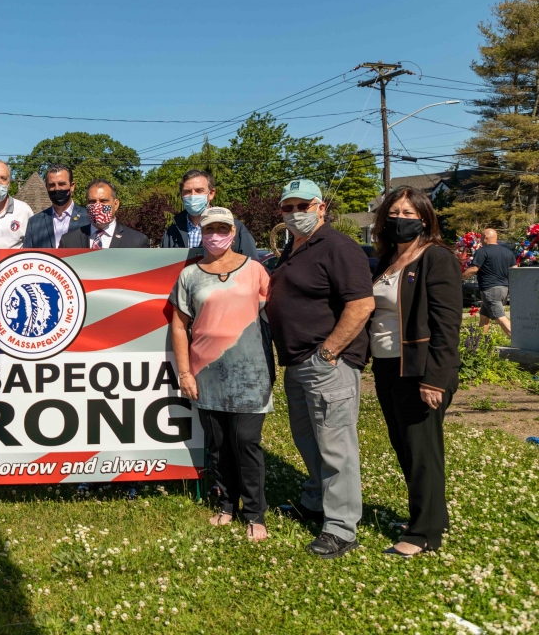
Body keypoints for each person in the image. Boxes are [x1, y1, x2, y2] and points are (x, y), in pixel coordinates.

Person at [264, 178, 374, 559]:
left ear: (321, 207)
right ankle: (315, 501)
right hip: (296, 362)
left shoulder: (339, 247)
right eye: (288, 207)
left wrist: (329, 352)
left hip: (326, 362)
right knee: (308, 440)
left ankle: (341, 527)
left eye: (303, 206)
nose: (295, 213)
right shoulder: (293, 250)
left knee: (335, 444)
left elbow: (360, 304)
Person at [169, 207, 274, 541]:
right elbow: (179, 325)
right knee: (218, 444)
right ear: (201, 232)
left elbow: (272, 314)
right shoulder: (190, 275)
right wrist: (184, 373)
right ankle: (227, 504)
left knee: (246, 442)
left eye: (221, 228)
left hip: (250, 373)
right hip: (206, 373)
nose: (215, 234)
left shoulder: (256, 270)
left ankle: (255, 512)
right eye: (209, 228)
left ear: (232, 231)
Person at [369, 187, 462, 556]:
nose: (401, 219)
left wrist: (435, 379)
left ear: (424, 218)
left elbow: (446, 324)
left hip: (420, 369)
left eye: (409, 213)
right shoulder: (388, 259)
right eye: (394, 212)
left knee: (422, 449)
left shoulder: (436, 258)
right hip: (388, 367)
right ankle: (428, 516)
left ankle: (424, 534)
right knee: (404, 446)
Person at [161, 169, 257, 257]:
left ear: (211, 193)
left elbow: (252, 268)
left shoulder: (233, 227)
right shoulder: (171, 233)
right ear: (181, 195)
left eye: (199, 191)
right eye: (187, 192)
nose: (193, 195)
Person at [59, 180, 149, 248]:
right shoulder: (68, 241)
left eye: (103, 201)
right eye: (92, 201)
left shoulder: (137, 241)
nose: (97, 206)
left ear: (116, 204)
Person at [462, 228, 514, 337]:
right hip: (504, 289)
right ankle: (479, 342)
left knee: (500, 318)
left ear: (485, 237)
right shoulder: (508, 252)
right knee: (484, 316)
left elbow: (473, 269)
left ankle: (523, 341)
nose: (480, 239)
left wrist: (458, 279)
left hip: (490, 289)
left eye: (481, 237)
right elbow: (515, 270)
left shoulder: (482, 251)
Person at [23, 164, 89, 248]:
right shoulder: (34, 223)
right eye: (52, 185)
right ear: (46, 187)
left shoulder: (88, 218)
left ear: (72, 186)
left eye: (62, 184)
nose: (57, 189)